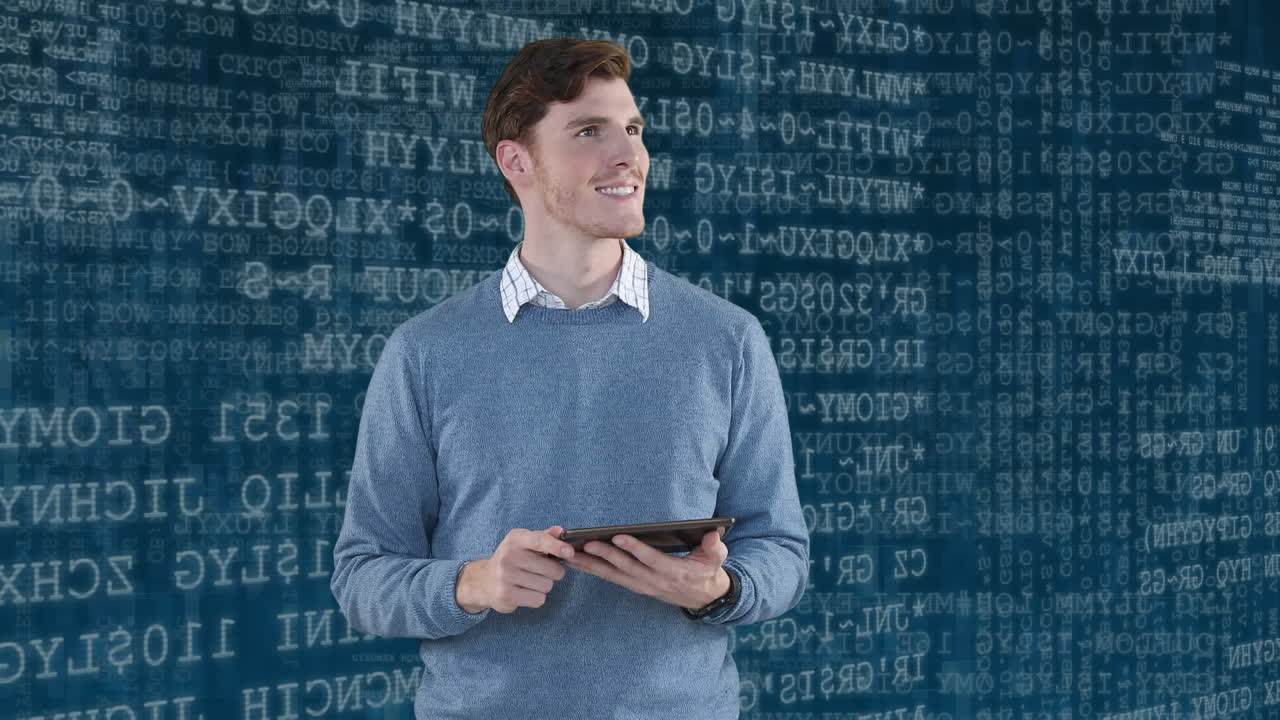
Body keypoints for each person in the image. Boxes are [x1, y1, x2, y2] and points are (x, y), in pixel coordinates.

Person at [330, 37, 809, 719]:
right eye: (590, 131)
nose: (630, 156)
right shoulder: (424, 353)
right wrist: (474, 582)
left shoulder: (728, 340)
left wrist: (716, 588)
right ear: (517, 160)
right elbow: (363, 578)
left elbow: (781, 550)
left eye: (634, 130)